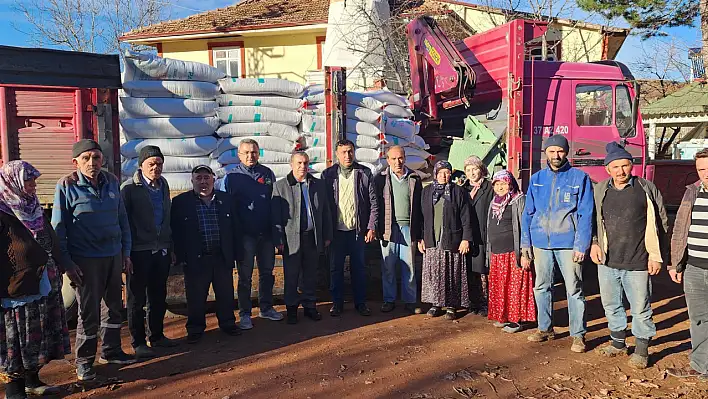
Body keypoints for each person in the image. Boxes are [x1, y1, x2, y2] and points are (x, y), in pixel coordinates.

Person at [51, 139, 134, 381]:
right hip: (85, 260)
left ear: (102, 160)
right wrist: (67, 263)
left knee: (113, 308)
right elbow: (59, 229)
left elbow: (123, 221)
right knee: (88, 313)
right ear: (75, 162)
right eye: (86, 158)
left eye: (96, 158)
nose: (92, 163)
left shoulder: (112, 182)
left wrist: (125, 253)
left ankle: (111, 350)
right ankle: (84, 361)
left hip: (112, 255)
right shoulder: (66, 186)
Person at [0, 161, 77, 398]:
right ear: (13, 183)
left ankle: (32, 380)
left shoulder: (33, 208)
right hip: (15, 290)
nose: (33, 185)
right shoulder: (3, 213)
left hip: (43, 283)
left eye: (34, 180)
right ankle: (14, 390)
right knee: (16, 342)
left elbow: (51, 240)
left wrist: (66, 265)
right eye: (28, 180)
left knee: (38, 335)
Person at [590, 142, 668, 369]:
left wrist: (657, 255)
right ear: (607, 169)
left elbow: (662, 222)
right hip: (607, 260)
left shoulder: (646, 188)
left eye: (625, 166)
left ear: (631, 166)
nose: (621, 171)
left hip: (639, 261)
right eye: (615, 167)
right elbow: (594, 220)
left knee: (641, 308)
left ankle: (642, 350)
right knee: (611, 304)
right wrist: (594, 243)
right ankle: (618, 344)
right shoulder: (600, 189)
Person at [521, 134, 593, 353]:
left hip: (568, 243)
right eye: (551, 151)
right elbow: (528, 213)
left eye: (560, 151)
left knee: (574, 289)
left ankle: (578, 335)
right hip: (541, 242)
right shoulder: (536, 179)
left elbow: (586, 214)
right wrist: (526, 243)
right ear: (545, 153)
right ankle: (545, 328)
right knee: (541, 287)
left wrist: (582, 245)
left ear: (567, 152)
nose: (556, 155)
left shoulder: (579, 178)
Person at [171, 165, 243, 344]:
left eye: (206, 178)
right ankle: (195, 328)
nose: (203, 182)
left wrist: (237, 253)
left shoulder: (226, 200)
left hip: (221, 256)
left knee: (225, 293)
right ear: (192, 181)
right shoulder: (181, 202)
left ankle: (227, 323)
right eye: (199, 178)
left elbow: (236, 228)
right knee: (196, 296)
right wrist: (179, 255)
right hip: (196, 257)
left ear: (213, 179)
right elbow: (175, 231)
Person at [120, 146, 179, 360]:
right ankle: (138, 342)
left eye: (159, 164)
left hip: (161, 249)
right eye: (151, 164)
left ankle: (157, 335)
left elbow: (167, 217)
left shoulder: (163, 185)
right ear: (141, 165)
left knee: (158, 295)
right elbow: (123, 221)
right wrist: (125, 253)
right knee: (136, 299)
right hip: (139, 251)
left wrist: (169, 246)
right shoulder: (129, 189)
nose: (156, 168)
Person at [224, 139, 283, 330]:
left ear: (259, 153)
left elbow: (274, 203)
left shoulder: (267, 174)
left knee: (267, 273)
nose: (251, 156)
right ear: (239, 155)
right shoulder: (232, 177)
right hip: (245, 236)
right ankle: (245, 313)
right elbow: (229, 208)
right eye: (246, 152)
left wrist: (276, 233)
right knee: (245, 277)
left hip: (265, 234)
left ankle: (266, 308)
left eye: (254, 152)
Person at [271, 151, 332, 325]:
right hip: (291, 240)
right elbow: (275, 217)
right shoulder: (280, 187)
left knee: (310, 275)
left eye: (305, 163)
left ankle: (310, 306)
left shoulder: (318, 185)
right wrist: (278, 240)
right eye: (298, 163)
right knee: (291, 276)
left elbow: (325, 212)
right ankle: (291, 309)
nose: (302, 167)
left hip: (312, 237)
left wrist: (327, 235)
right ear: (291, 165)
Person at [322, 140, 378, 317]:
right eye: (343, 152)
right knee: (335, 269)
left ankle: (360, 303)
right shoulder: (328, 175)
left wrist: (371, 227)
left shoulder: (364, 173)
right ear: (336, 155)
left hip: (357, 231)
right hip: (336, 233)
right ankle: (337, 303)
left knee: (359, 269)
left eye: (350, 151)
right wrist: (326, 232)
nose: (347, 156)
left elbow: (374, 203)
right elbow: (323, 206)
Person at [667, 148, 708, 380]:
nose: (706, 173)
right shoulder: (692, 192)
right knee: (699, 318)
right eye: (701, 169)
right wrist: (675, 264)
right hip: (694, 268)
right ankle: (700, 365)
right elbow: (680, 230)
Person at [419, 160, 473, 320]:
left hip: (452, 238)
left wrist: (465, 239)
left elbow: (466, 217)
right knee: (434, 273)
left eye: (447, 172)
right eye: (441, 172)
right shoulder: (427, 191)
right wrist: (421, 237)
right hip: (432, 238)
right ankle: (436, 304)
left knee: (452, 273)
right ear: (435, 173)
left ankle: (451, 305)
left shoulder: (458, 191)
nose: (444, 175)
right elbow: (421, 216)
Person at [374, 146, 423, 314]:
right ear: (387, 160)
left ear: (405, 158)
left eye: (400, 158)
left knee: (409, 266)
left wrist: (420, 232)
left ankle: (410, 301)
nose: (397, 162)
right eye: (393, 159)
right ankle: (389, 300)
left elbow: (420, 208)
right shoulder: (380, 179)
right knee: (388, 266)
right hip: (388, 228)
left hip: (408, 228)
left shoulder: (414, 178)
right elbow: (375, 205)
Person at [486, 170, 536, 333]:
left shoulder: (519, 200)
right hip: (497, 253)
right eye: (497, 184)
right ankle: (504, 316)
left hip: (513, 253)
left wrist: (524, 253)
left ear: (511, 184)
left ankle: (518, 320)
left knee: (516, 286)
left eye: (504, 183)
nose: (500, 187)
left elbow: (526, 227)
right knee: (502, 286)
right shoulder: (494, 202)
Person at [458, 156, 494, 316]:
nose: (472, 173)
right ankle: (473, 302)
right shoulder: (462, 188)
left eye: (475, 169)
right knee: (470, 269)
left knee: (483, 270)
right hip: (466, 235)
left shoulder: (490, 187)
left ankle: (486, 303)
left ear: (482, 169)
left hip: (483, 234)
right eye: (468, 170)